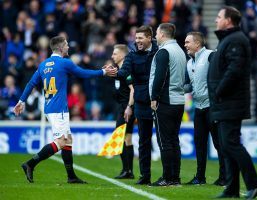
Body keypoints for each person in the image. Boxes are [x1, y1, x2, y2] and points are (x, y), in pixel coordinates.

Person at [13, 35, 116, 184]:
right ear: (61, 48)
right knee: (61, 141)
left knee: (68, 141)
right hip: (58, 108)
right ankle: (30, 164)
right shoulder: (64, 63)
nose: (68, 47)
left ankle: (71, 177)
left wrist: (21, 101)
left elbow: (30, 84)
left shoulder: (43, 64)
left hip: (49, 107)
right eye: (66, 44)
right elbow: (83, 74)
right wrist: (104, 72)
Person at [207, 6, 257, 199]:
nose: (215, 20)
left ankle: (255, 184)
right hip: (225, 102)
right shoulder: (229, 39)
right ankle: (232, 189)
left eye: (218, 17)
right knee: (226, 145)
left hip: (230, 102)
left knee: (231, 144)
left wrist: (218, 91)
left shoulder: (236, 40)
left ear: (228, 20)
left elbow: (234, 70)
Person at [115, 25, 158, 185]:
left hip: (159, 101)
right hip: (141, 103)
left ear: (149, 38)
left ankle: (170, 176)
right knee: (143, 140)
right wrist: (112, 73)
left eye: (140, 38)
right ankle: (144, 176)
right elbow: (124, 72)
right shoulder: (132, 56)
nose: (137, 41)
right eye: (136, 38)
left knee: (165, 140)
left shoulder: (159, 52)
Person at [184, 32, 226, 186]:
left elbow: (221, 76)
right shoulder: (189, 62)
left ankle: (224, 176)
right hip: (199, 109)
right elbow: (189, 86)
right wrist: (176, 87)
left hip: (212, 107)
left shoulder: (210, 55)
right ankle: (200, 177)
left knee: (218, 143)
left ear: (197, 43)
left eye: (188, 42)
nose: (185, 45)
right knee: (199, 144)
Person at [149, 23, 186, 186]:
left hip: (165, 100)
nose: (155, 36)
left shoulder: (164, 52)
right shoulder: (180, 50)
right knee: (174, 140)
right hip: (179, 100)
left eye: (156, 33)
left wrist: (154, 97)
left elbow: (160, 76)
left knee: (164, 141)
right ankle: (175, 177)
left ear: (163, 34)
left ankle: (167, 177)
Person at [111, 44, 136, 179]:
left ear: (122, 55)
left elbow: (133, 89)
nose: (112, 56)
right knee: (127, 138)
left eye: (115, 53)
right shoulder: (118, 71)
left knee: (119, 138)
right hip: (122, 107)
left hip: (126, 109)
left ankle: (127, 170)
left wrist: (129, 107)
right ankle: (128, 171)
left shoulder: (126, 71)